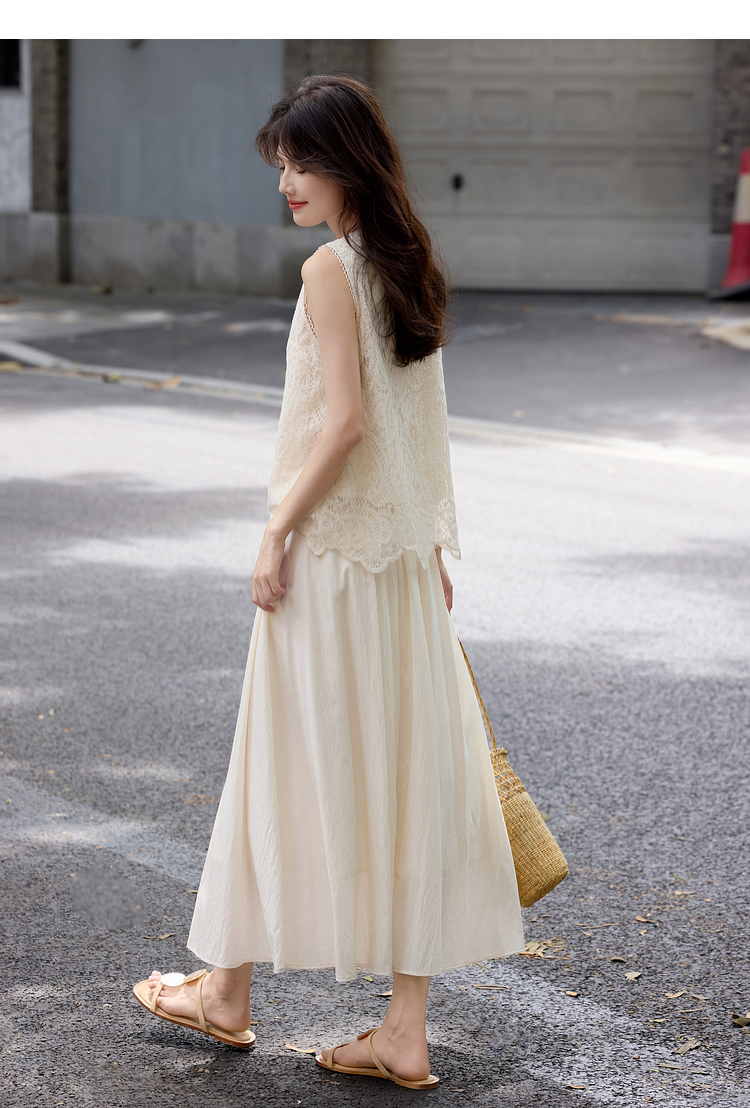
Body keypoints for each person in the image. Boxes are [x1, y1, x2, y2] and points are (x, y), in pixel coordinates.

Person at [133, 74, 523, 1090]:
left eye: (301, 163)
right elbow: (413, 427)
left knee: (277, 762)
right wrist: (428, 545)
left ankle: (226, 992)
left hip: (336, 559)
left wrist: (276, 529)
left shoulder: (327, 270)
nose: (287, 184)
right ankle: (402, 1028)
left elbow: (347, 423)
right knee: (404, 778)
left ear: (348, 162)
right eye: (282, 166)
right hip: (396, 567)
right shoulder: (407, 264)